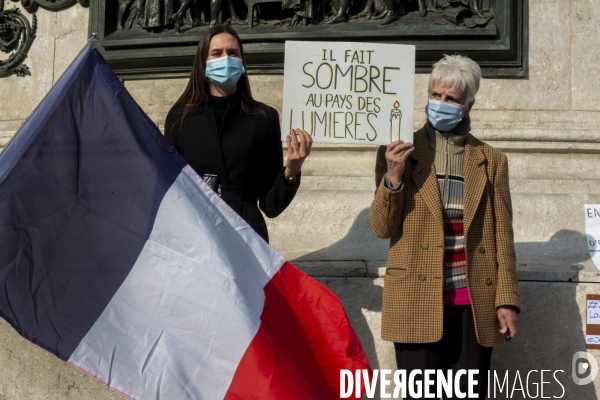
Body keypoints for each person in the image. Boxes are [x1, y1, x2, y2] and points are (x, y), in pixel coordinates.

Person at [370, 54, 520, 399]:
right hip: (415, 299)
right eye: (435, 95)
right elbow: (381, 226)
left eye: (450, 99)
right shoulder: (397, 151)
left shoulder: (491, 160)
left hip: (473, 303)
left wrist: (507, 300)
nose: (440, 104)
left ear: (468, 105)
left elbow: (502, 237)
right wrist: (393, 178)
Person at [164, 25, 312, 243]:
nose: (226, 58)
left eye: (233, 53)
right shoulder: (179, 118)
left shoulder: (264, 118)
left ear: (242, 61)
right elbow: (169, 188)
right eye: (217, 53)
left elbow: (270, 206)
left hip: (246, 234)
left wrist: (291, 170)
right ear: (203, 61)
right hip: (196, 233)